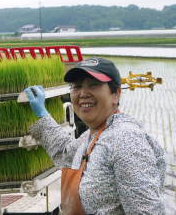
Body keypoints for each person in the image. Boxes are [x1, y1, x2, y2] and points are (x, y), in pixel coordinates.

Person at [24, 57, 165, 214]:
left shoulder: (126, 140)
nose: (83, 93)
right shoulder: (92, 135)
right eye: (77, 86)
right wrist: (42, 113)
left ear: (116, 95)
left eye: (94, 85)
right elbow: (64, 153)